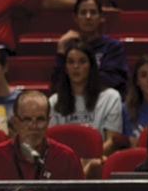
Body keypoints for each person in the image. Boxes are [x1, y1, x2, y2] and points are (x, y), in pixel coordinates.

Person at [49, 42, 126, 176]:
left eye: (82, 61)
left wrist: (89, 161)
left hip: (97, 163)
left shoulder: (110, 97)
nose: (76, 67)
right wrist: (73, 162)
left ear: (91, 66)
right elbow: (51, 143)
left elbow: (111, 141)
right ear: (65, 68)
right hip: (63, 165)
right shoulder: (54, 101)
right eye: (71, 62)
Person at [0, 91, 85, 181]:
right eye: (27, 119)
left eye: (40, 119)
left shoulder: (67, 158)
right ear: (15, 122)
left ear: (48, 121)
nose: (33, 126)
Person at [51, 0, 129, 95]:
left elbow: (112, 80)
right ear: (76, 18)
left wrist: (77, 79)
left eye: (93, 12)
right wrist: (61, 49)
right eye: (83, 13)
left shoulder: (113, 46)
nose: (88, 17)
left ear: (101, 17)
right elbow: (57, 85)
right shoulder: (68, 46)